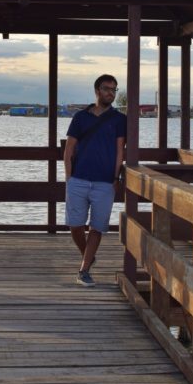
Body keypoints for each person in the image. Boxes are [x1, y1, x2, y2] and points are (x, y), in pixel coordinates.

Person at [63, 74, 127, 286]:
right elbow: (69, 148)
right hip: (78, 179)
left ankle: (84, 269)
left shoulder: (119, 119)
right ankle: (87, 255)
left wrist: (115, 176)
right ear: (97, 90)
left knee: (97, 227)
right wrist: (69, 177)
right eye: (107, 88)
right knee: (75, 225)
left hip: (104, 182)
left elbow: (120, 150)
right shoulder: (81, 117)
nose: (111, 93)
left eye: (114, 89)